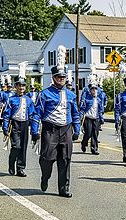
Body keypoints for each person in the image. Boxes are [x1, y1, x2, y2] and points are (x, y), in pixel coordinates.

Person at [31, 45, 80, 198]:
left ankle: (63, 188)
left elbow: (75, 114)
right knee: (47, 158)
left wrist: (77, 129)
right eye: (58, 77)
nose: (61, 79)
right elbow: (36, 113)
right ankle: (45, 177)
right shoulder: (44, 94)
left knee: (65, 159)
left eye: (63, 77)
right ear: (53, 78)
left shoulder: (71, 95)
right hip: (49, 130)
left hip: (66, 130)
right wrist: (34, 131)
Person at [2, 67, 34, 177]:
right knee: (16, 146)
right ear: (16, 87)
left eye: (23, 85)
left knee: (23, 147)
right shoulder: (11, 100)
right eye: (19, 85)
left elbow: (32, 114)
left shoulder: (29, 100)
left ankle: (20, 168)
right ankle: (11, 163)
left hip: (25, 124)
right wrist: (5, 127)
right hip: (14, 124)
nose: (21, 87)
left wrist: (34, 128)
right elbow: (6, 114)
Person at [80, 82, 104, 155]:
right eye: (92, 89)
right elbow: (82, 108)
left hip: (96, 119)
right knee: (88, 133)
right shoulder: (87, 99)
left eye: (95, 89)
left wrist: (101, 118)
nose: (94, 91)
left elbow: (100, 110)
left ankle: (94, 149)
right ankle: (84, 143)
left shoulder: (99, 99)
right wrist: (80, 117)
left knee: (95, 134)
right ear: (90, 91)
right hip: (88, 118)